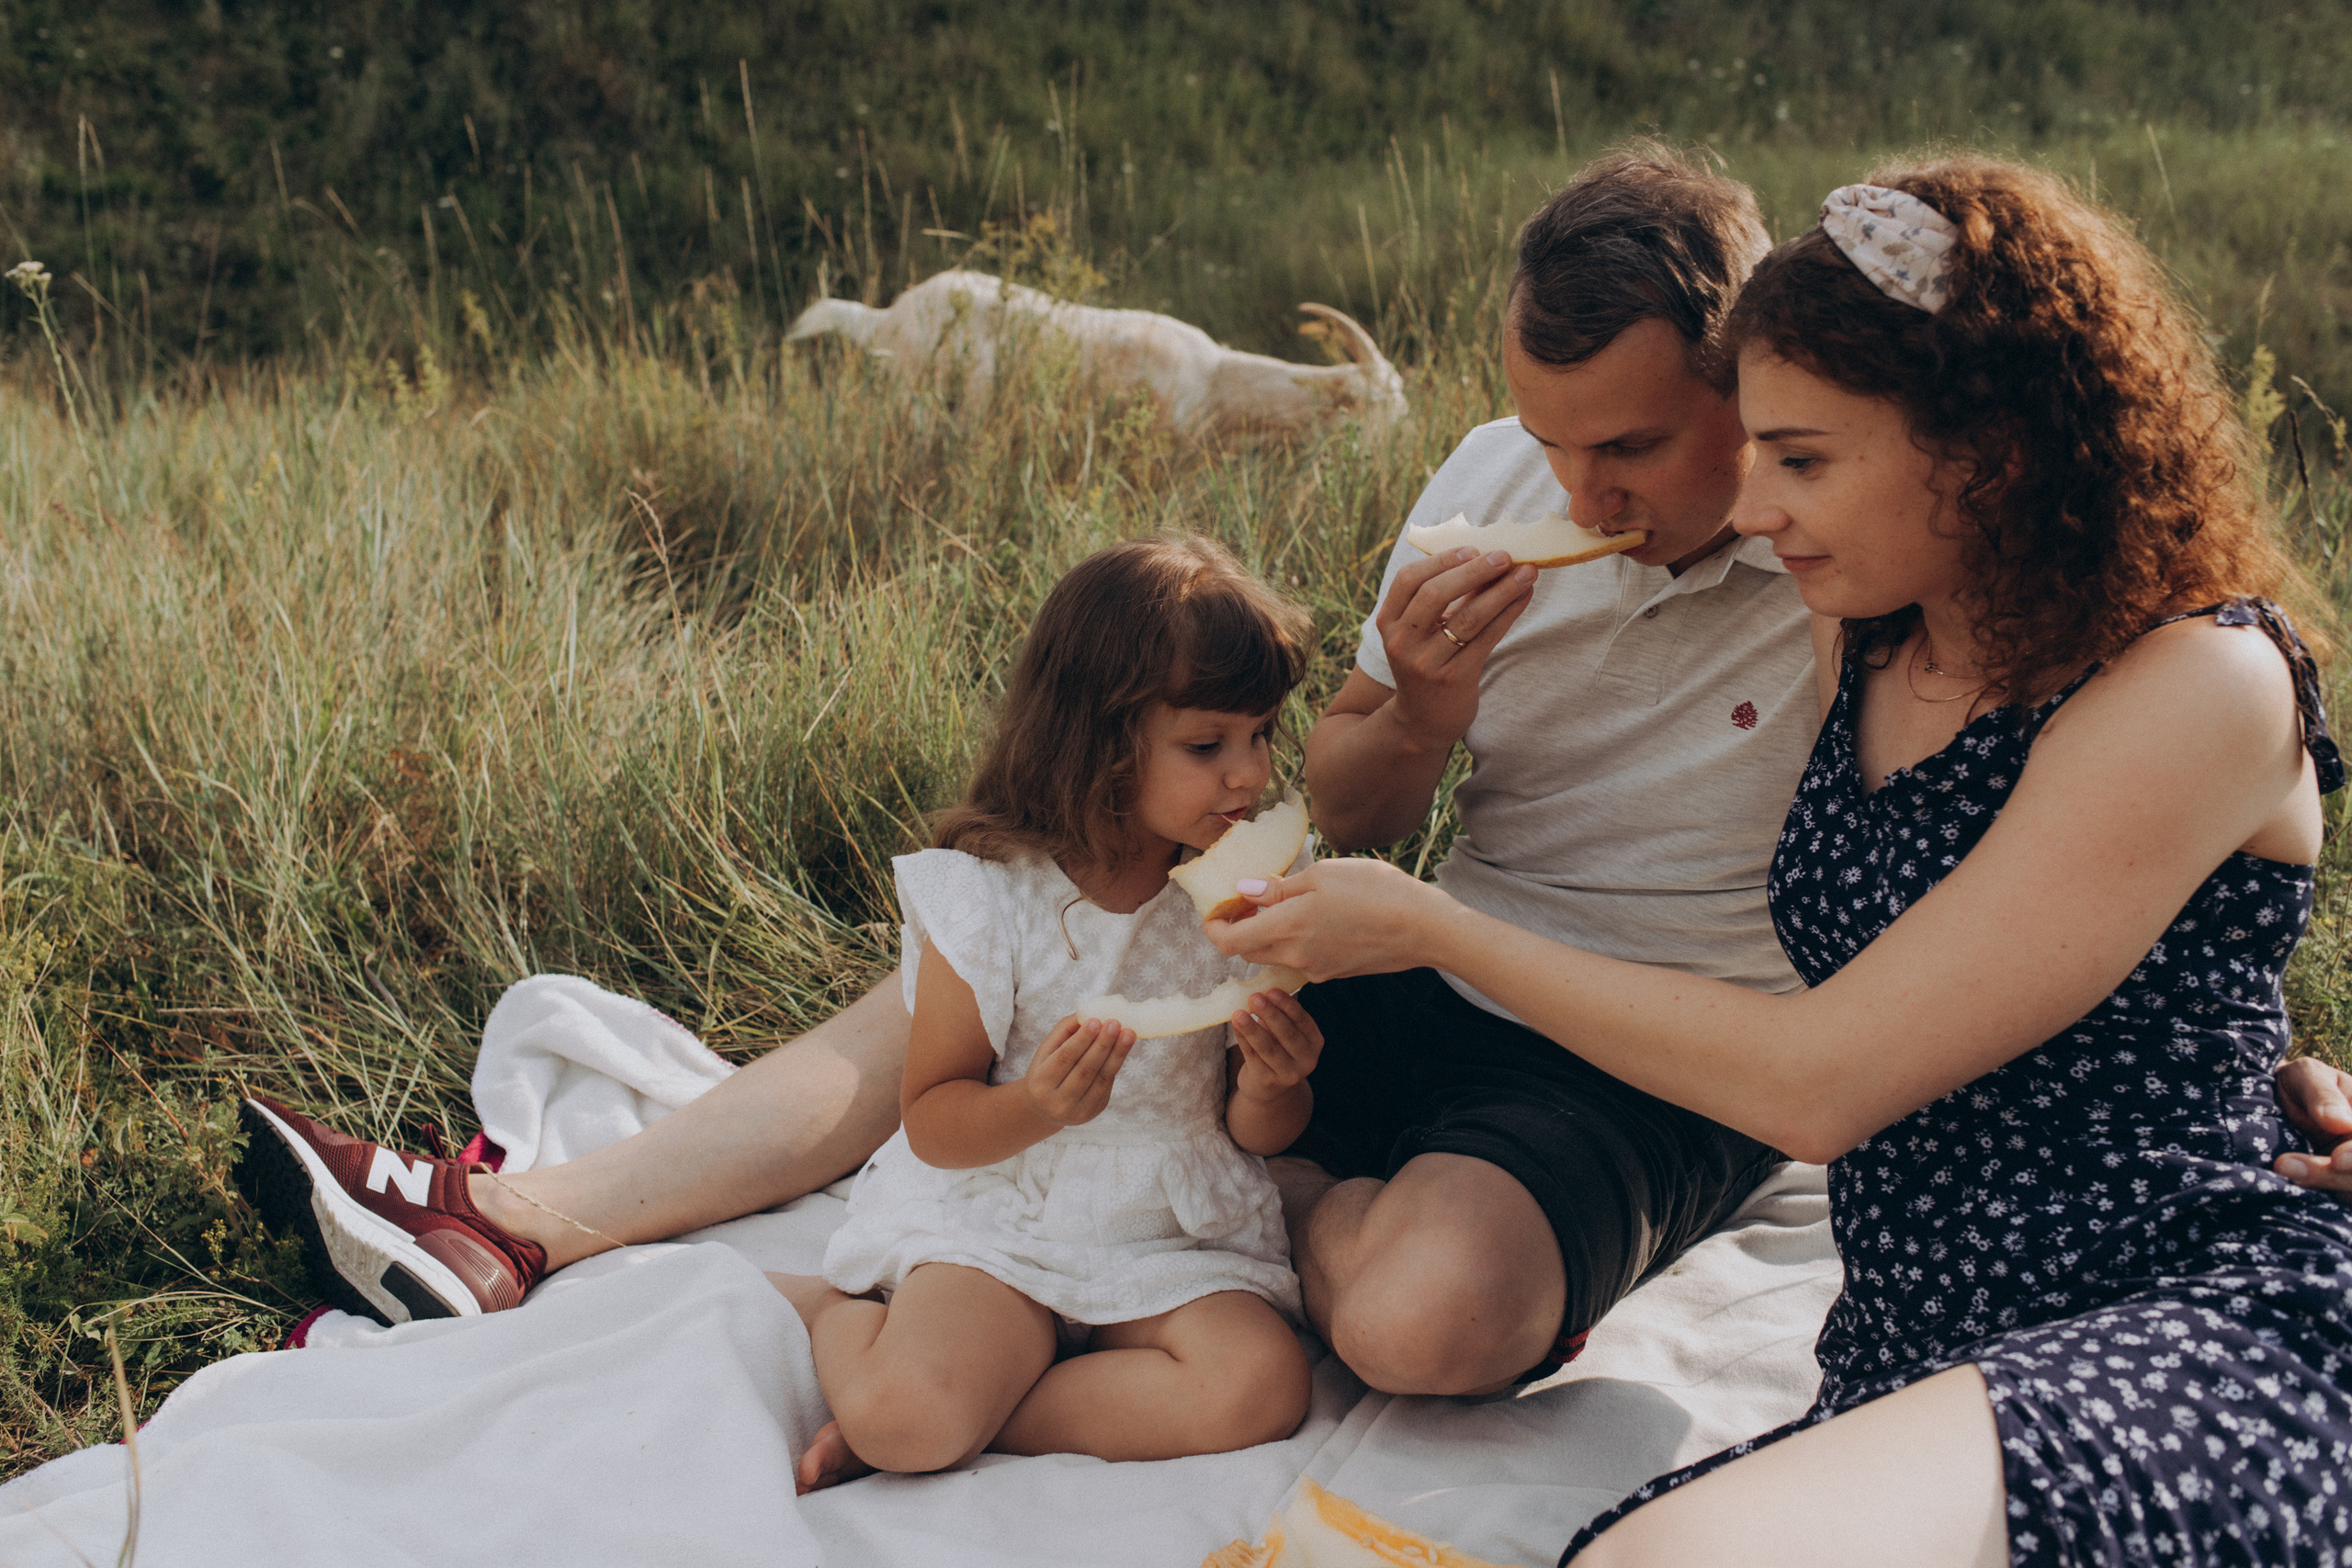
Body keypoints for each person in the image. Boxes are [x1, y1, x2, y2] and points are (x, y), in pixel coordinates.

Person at [231, 142, 2352, 1370]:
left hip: (1674, 1050)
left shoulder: (1863, 562)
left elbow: (2054, 848)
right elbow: (1346, 808)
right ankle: (536, 1218)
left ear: (1764, 386)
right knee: (1012, 955)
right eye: (1549, 437)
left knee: (1424, 1322)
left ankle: (1242, 1211)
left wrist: (2263, 1054)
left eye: (1647, 443)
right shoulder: (1490, 485)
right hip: (1409, 939)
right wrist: (1407, 710)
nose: (1585, 485)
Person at [1209, 161, 2352, 1565]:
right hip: (1923, 1331)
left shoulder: (2204, 680)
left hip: (2165, 1296)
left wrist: (1438, 929)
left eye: (1797, 459)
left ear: (1990, 451)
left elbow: (1823, 1082)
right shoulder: (1873, 629)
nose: (1754, 508)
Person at [762, 536, 1323, 1492]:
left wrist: (1276, 1083)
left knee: (1260, 1387)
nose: (1248, 776)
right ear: (1100, 740)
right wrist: (1039, 1106)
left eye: (1261, 735)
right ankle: (843, 1317)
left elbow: (1253, 1129)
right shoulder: (991, 900)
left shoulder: (1248, 899)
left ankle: (978, 1401)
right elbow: (934, 1122)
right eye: (1206, 746)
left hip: (1166, 1229)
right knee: (908, 1423)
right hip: (1003, 1214)